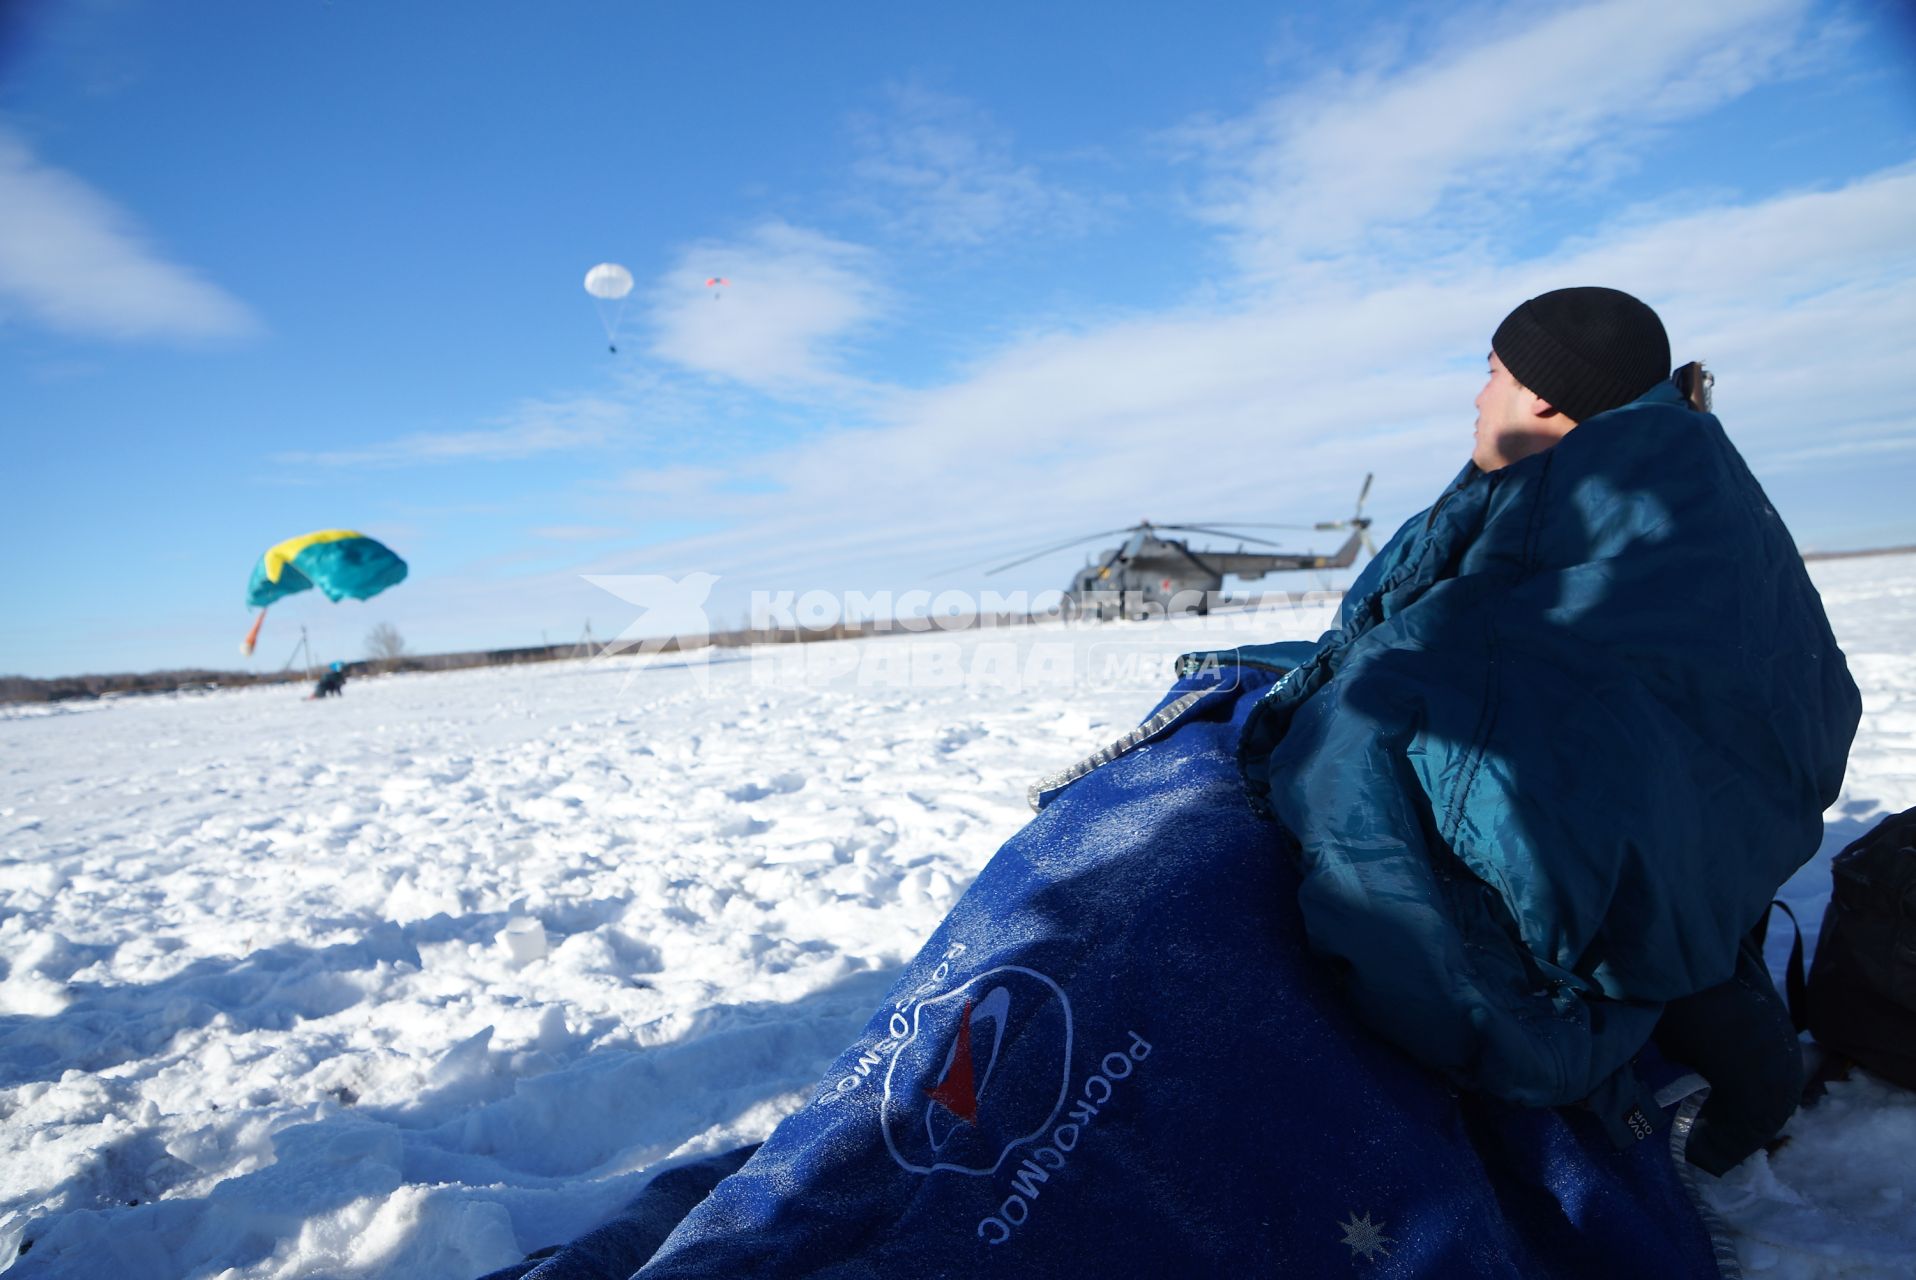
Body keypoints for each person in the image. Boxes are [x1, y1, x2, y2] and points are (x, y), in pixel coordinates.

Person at [479, 289, 1860, 1279]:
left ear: (1546, 396)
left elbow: (1382, 731)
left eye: (1491, 375)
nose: (1475, 397)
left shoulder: (1536, 547)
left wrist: (1286, 734)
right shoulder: (1708, 518)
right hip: (1695, 881)